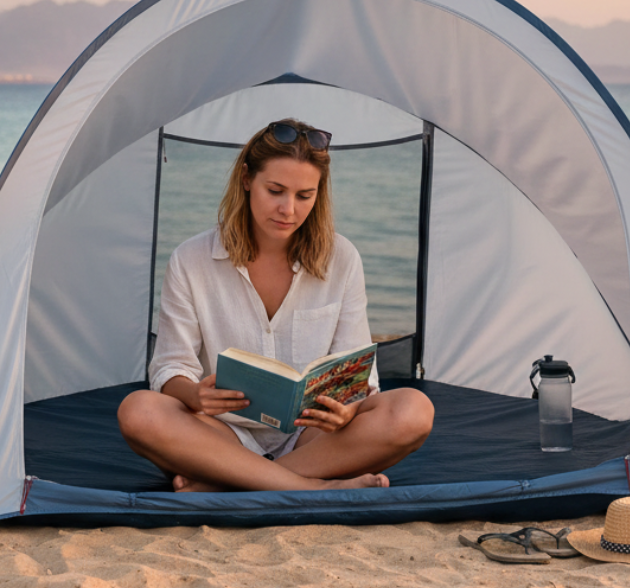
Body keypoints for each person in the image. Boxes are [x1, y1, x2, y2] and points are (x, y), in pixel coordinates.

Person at [117, 118, 434, 492]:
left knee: (414, 412)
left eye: (304, 196)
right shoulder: (191, 259)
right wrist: (194, 394)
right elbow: (171, 365)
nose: (289, 209)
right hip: (220, 433)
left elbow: (357, 375)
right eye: (276, 190)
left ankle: (232, 481)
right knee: (138, 412)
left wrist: (346, 409)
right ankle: (312, 488)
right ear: (247, 179)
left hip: (313, 437)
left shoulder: (342, 258)